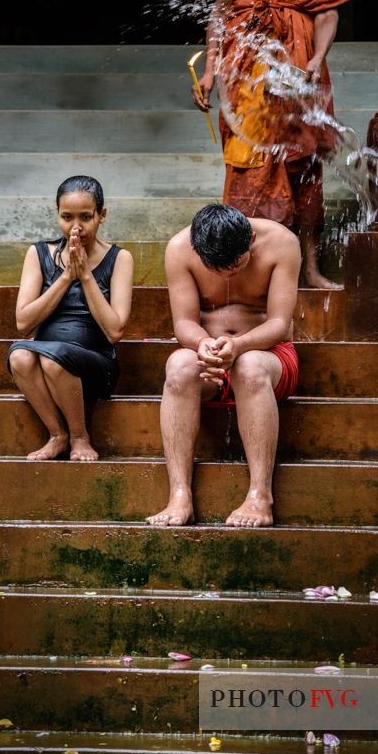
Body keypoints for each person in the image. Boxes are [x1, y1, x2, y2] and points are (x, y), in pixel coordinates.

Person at [192, 0, 363, 289]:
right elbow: (221, 10)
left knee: (304, 167)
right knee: (252, 166)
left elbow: (327, 13)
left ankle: (309, 268)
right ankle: (249, 272)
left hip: (302, 71)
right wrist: (210, 69)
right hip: (251, 74)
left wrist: (313, 59)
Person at [147, 203, 301, 528]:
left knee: (249, 367)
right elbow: (184, 323)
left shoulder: (282, 243)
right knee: (178, 366)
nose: (228, 275)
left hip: (268, 357)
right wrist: (203, 345)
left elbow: (278, 322)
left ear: (252, 238)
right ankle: (179, 495)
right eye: (217, 270)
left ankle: (261, 496)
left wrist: (240, 346)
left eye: (237, 264)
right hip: (210, 359)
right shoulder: (179, 249)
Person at [8, 175, 134, 462]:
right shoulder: (38, 254)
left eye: (85, 217)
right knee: (19, 356)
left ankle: (80, 436)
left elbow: (115, 331)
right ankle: (57, 435)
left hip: (95, 364)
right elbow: (23, 323)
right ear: (57, 215)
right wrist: (66, 277)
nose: (75, 226)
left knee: (55, 358)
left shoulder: (119, 258)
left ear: (102, 215)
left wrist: (86, 275)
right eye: (67, 217)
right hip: (46, 359)